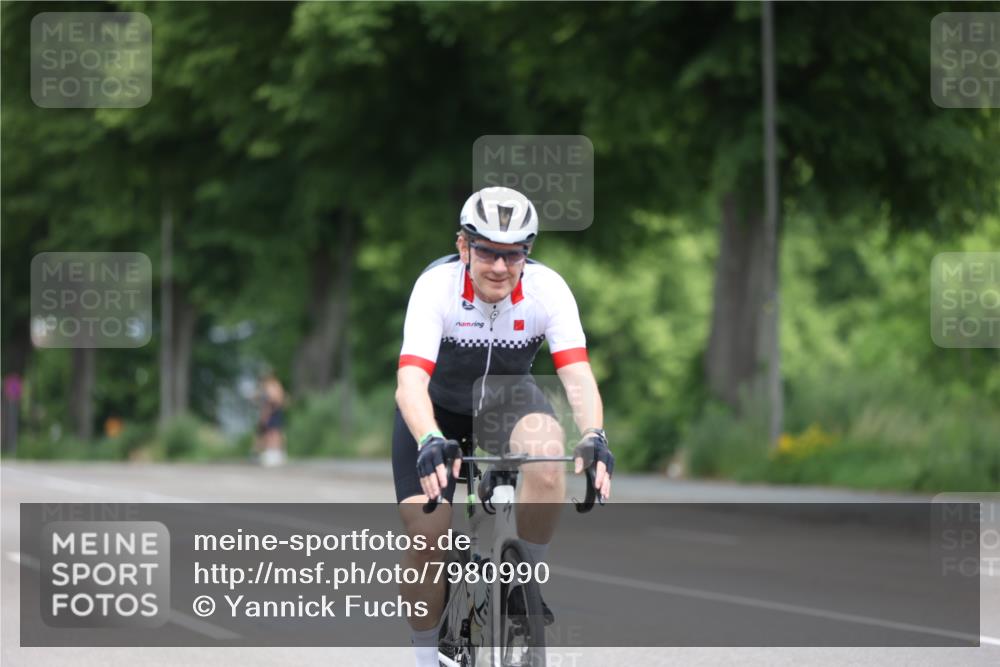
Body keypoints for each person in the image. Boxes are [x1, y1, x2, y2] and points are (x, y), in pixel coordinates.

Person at [393, 186, 614, 666]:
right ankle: (425, 656)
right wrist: (430, 438)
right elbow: (410, 382)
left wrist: (595, 435)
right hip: (436, 410)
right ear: (463, 246)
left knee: (549, 464)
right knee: (428, 536)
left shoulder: (547, 290)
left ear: (526, 254)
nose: (499, 265)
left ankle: (523, 584)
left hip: (508, 401)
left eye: (513, 254)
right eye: (487, 251)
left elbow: (577, 376)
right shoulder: (436, 288)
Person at [256, 372, 287, 466]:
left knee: (274, 433)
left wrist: (266, 414)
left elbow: (274, 401)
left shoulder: (272, 387)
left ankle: (275, 454)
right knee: (271, 433)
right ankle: (273, 453)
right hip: (273, 411)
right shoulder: (274, 386)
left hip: (273, 411)